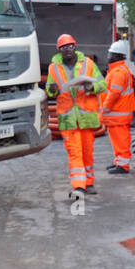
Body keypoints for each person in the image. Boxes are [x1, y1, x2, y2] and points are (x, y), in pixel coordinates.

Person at [45, 34, 107, 198]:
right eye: (64, 47)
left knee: (87, 151)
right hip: (68, 118)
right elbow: (50, 90)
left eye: (71, 46)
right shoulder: (53, 68)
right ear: (59, 50)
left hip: (86, 117)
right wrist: (52, 89)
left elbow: (102, 84)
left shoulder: (88, 64)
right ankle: (78, 186)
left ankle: (89, 182)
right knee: (75, 152)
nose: (68, 49)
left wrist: (91, 87)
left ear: (75, 47)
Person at [101, 39, 135, 174]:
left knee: (121, 140)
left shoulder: (118, 73)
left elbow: (113, 93)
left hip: (118, 113)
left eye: (110, 54)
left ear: (117, 55)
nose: (108, 56)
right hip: (118, 113)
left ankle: (123, 165)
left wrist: (105, 108)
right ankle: (119, 162)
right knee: (117, 140)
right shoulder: (117, 71)